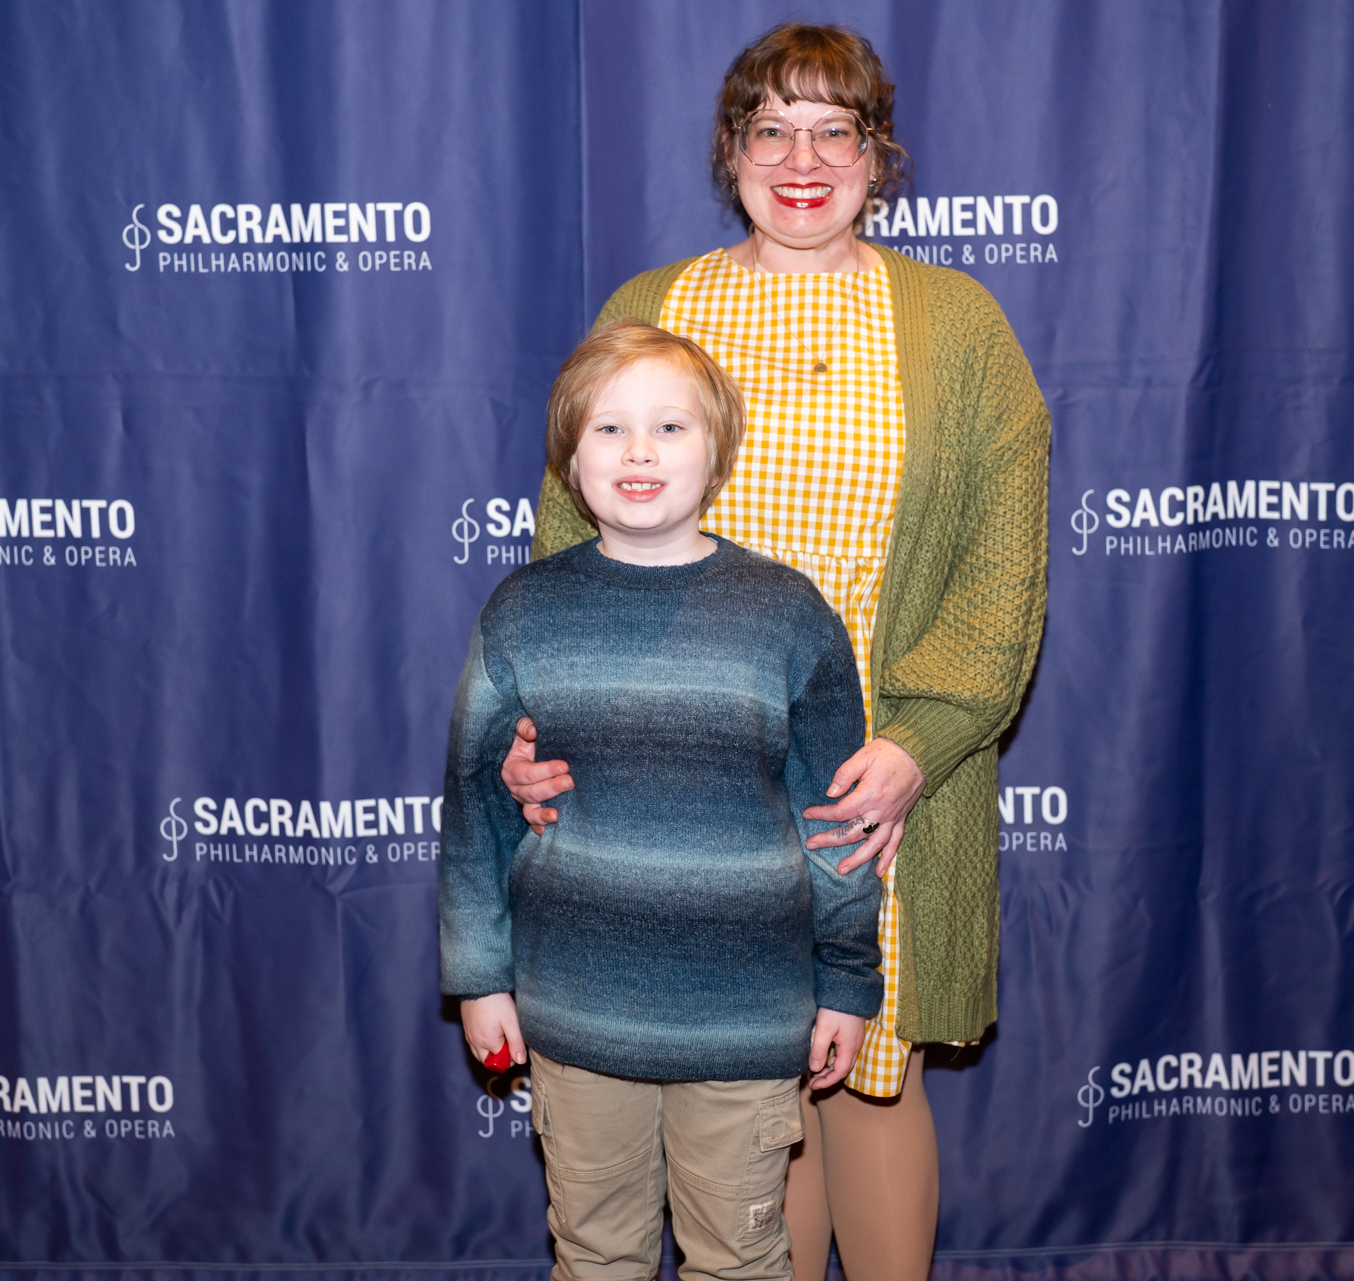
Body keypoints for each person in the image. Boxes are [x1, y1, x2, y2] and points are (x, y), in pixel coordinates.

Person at [502, 24, 1050, 1281]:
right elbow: (565, 545)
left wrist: (916, 748)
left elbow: (1002, 572)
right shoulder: (653, 310)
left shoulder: (958, 328)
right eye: (772, 131)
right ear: (731, 150)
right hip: (680, 782)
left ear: (878, 153)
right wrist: (542, 734)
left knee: (869, 1073)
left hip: (875, 783)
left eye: (833, 132)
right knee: (753, 1090)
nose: (803, 162)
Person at [440, 320, 885, 1281]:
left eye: (670, 427)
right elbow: (476, 807)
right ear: (570, 460)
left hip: (746, 1018)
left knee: (742, 1259)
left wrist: (848, 980)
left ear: (717, 452)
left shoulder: (788, 613)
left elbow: (836, 823)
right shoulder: (523, 611)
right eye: (609, 429)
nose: (638, 452)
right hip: (577, 1012)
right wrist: (479, 976)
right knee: (597, 1254)